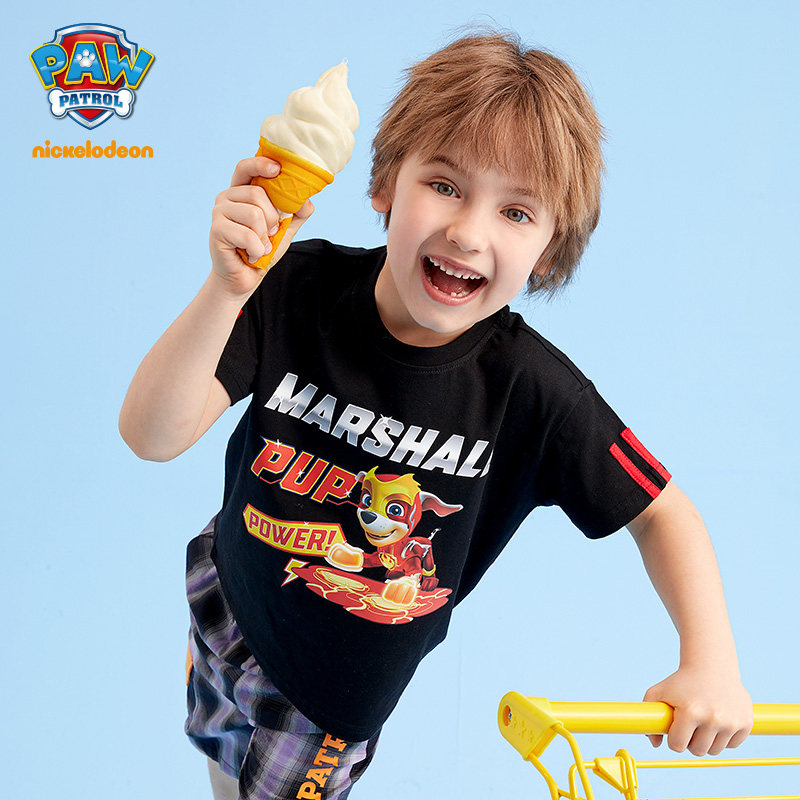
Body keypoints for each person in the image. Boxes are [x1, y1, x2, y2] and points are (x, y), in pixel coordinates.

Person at [119, 30, 753, 800]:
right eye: (445, 185)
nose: (468, 231)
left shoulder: (532, 391)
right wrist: (227, 289)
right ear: (386, 183)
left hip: (323, 701)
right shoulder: (296, 287)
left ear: (549, 251)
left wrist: (711, 661)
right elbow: (150, 435)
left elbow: (664, 513)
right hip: (225, 592)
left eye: (516, 211)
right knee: (222, 763)